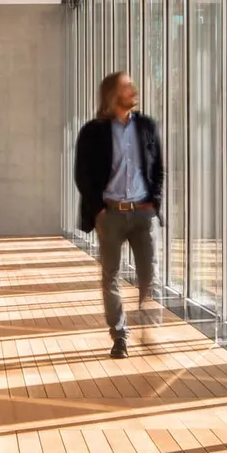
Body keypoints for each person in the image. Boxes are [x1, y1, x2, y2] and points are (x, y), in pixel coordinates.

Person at [73, 72, 163, 359]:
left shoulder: (146, 126)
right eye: (126, 86)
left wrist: (154, 203)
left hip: (143, 214)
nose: (133, 89)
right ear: (112, 94)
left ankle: (148, 327)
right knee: (110, 276)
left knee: (150, 275)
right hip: (110, 214)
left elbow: (157, 168)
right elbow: (83, 175)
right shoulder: (92, 132)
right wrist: (98, 211)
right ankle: (119, 335)